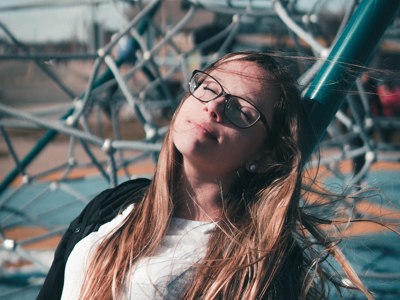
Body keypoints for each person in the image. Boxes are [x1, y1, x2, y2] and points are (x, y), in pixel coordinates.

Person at [38, 51, 373, 299]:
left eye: (241, 110)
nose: (214, 106)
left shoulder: (257, 265)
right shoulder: (115, 205)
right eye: (210, 87)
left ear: (266, 156)